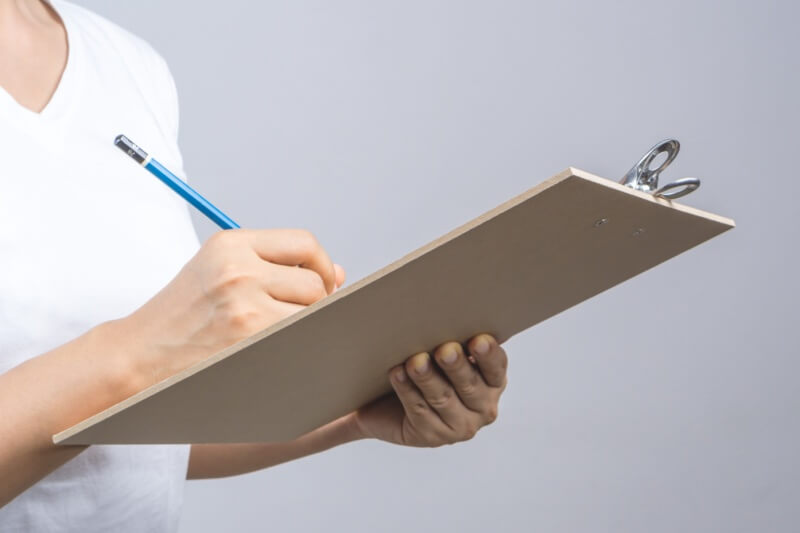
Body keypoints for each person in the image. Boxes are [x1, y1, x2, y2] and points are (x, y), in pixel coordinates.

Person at [0, 0, 510, 530]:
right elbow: (130, 370)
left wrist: (355, 409)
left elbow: (138, 453)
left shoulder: (128, 62)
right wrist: (141, 351)